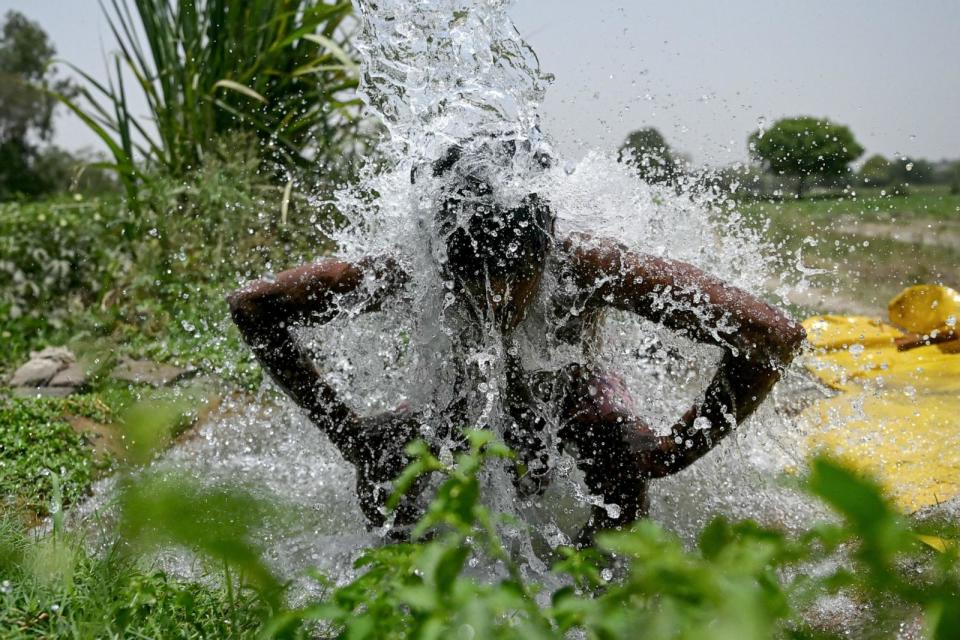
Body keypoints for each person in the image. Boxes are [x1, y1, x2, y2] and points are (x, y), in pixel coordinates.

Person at [228, 140, 806, 545]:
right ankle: (401, 585)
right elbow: (253, 306)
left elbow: (772, 336)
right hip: (455, 398)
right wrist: (346, 432)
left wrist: (676, 451)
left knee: (616, 454)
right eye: (475, 286)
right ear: (438, 258)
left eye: (518, 282)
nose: (500, 304)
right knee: (386, 456)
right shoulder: (407, 269)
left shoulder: (593, 265)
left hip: (572, 395)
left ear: (548, 249)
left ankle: (602, 597)